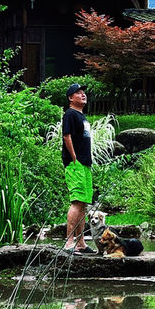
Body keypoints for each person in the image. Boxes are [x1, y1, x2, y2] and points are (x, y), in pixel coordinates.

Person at [62, 82, 96, 253]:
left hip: (85, 164)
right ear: (70, 98)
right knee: (76, 202)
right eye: (78, 93)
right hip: (75, 164)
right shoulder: (70, 114)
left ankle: (81, 242)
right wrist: (74, 158)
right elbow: (66, 136)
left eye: (84, 92)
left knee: (83, 203)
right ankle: (69, 242)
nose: (83, 94)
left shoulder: (82, 116)